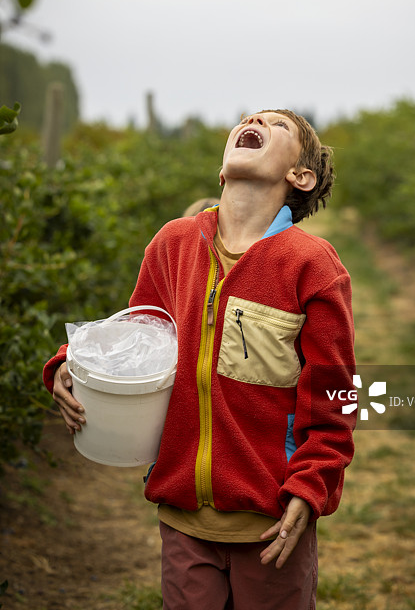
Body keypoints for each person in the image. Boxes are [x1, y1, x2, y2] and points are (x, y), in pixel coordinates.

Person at [43, 109, 357, 610]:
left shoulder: (311, 264)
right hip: (181, 514)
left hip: (270, 520)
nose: (255, 119)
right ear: (222, 167)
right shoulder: (174, 243)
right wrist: (69, 361)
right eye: (251, 118)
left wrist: (312, 483)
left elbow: (335, 395)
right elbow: (136, 332)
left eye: (278, 125)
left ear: (301, 176)